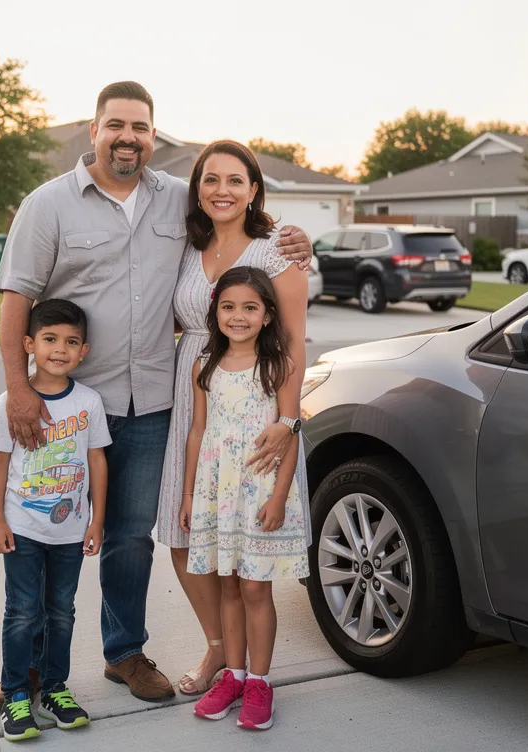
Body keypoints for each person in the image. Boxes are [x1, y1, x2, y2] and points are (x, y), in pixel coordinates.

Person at [0, 82, 312, 708]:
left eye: (140, 127)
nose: (128, 137)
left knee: (134, 536)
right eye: (116, 125)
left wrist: (301, 244)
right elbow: (15, 301)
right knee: (39, 536)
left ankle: (125, 653)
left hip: (157, 402)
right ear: (94, 130)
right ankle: (21, 667)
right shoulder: (48, 205)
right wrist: (18, 391)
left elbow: (248, 240)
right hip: (69, 406)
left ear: (153, 134)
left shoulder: (177, 202)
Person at [154, 140, 310, 697]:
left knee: (247, 555)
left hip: (258, 404)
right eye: (211, 179)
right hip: (194, 388)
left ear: (254, 189)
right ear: (197, 187)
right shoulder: (183, 246)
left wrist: (288, 421)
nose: (222, 190)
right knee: (181, 530)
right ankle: (220, 648)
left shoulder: (276, 251)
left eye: (235, 180)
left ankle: (246, 670)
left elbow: (293, 341)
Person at [180, 266, 310, 731]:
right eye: (228, 307)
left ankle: (259, 680)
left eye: (249, 308)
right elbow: (198, 432)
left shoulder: (279, 366)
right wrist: (191, 493)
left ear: (268, 315)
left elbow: (292, 433)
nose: (237, 316)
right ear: (215, 312)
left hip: (259, 492)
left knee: (256, 586)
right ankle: (232, 676)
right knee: (229, 584)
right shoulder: (205, 366)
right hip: (219, 491)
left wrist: (278, 498)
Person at [0, 299, 110, 742]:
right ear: (29, 344)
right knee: (22, 612)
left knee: (61, 612)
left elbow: (97, 461)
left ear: (84, 350)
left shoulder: (89, 402)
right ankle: (17, 693)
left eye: (71, 342)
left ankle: (55, 688)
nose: (60, 349)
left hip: (71, 530)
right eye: (50, 339)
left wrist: (96, 520)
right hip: (22, 529)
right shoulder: (13, 402)